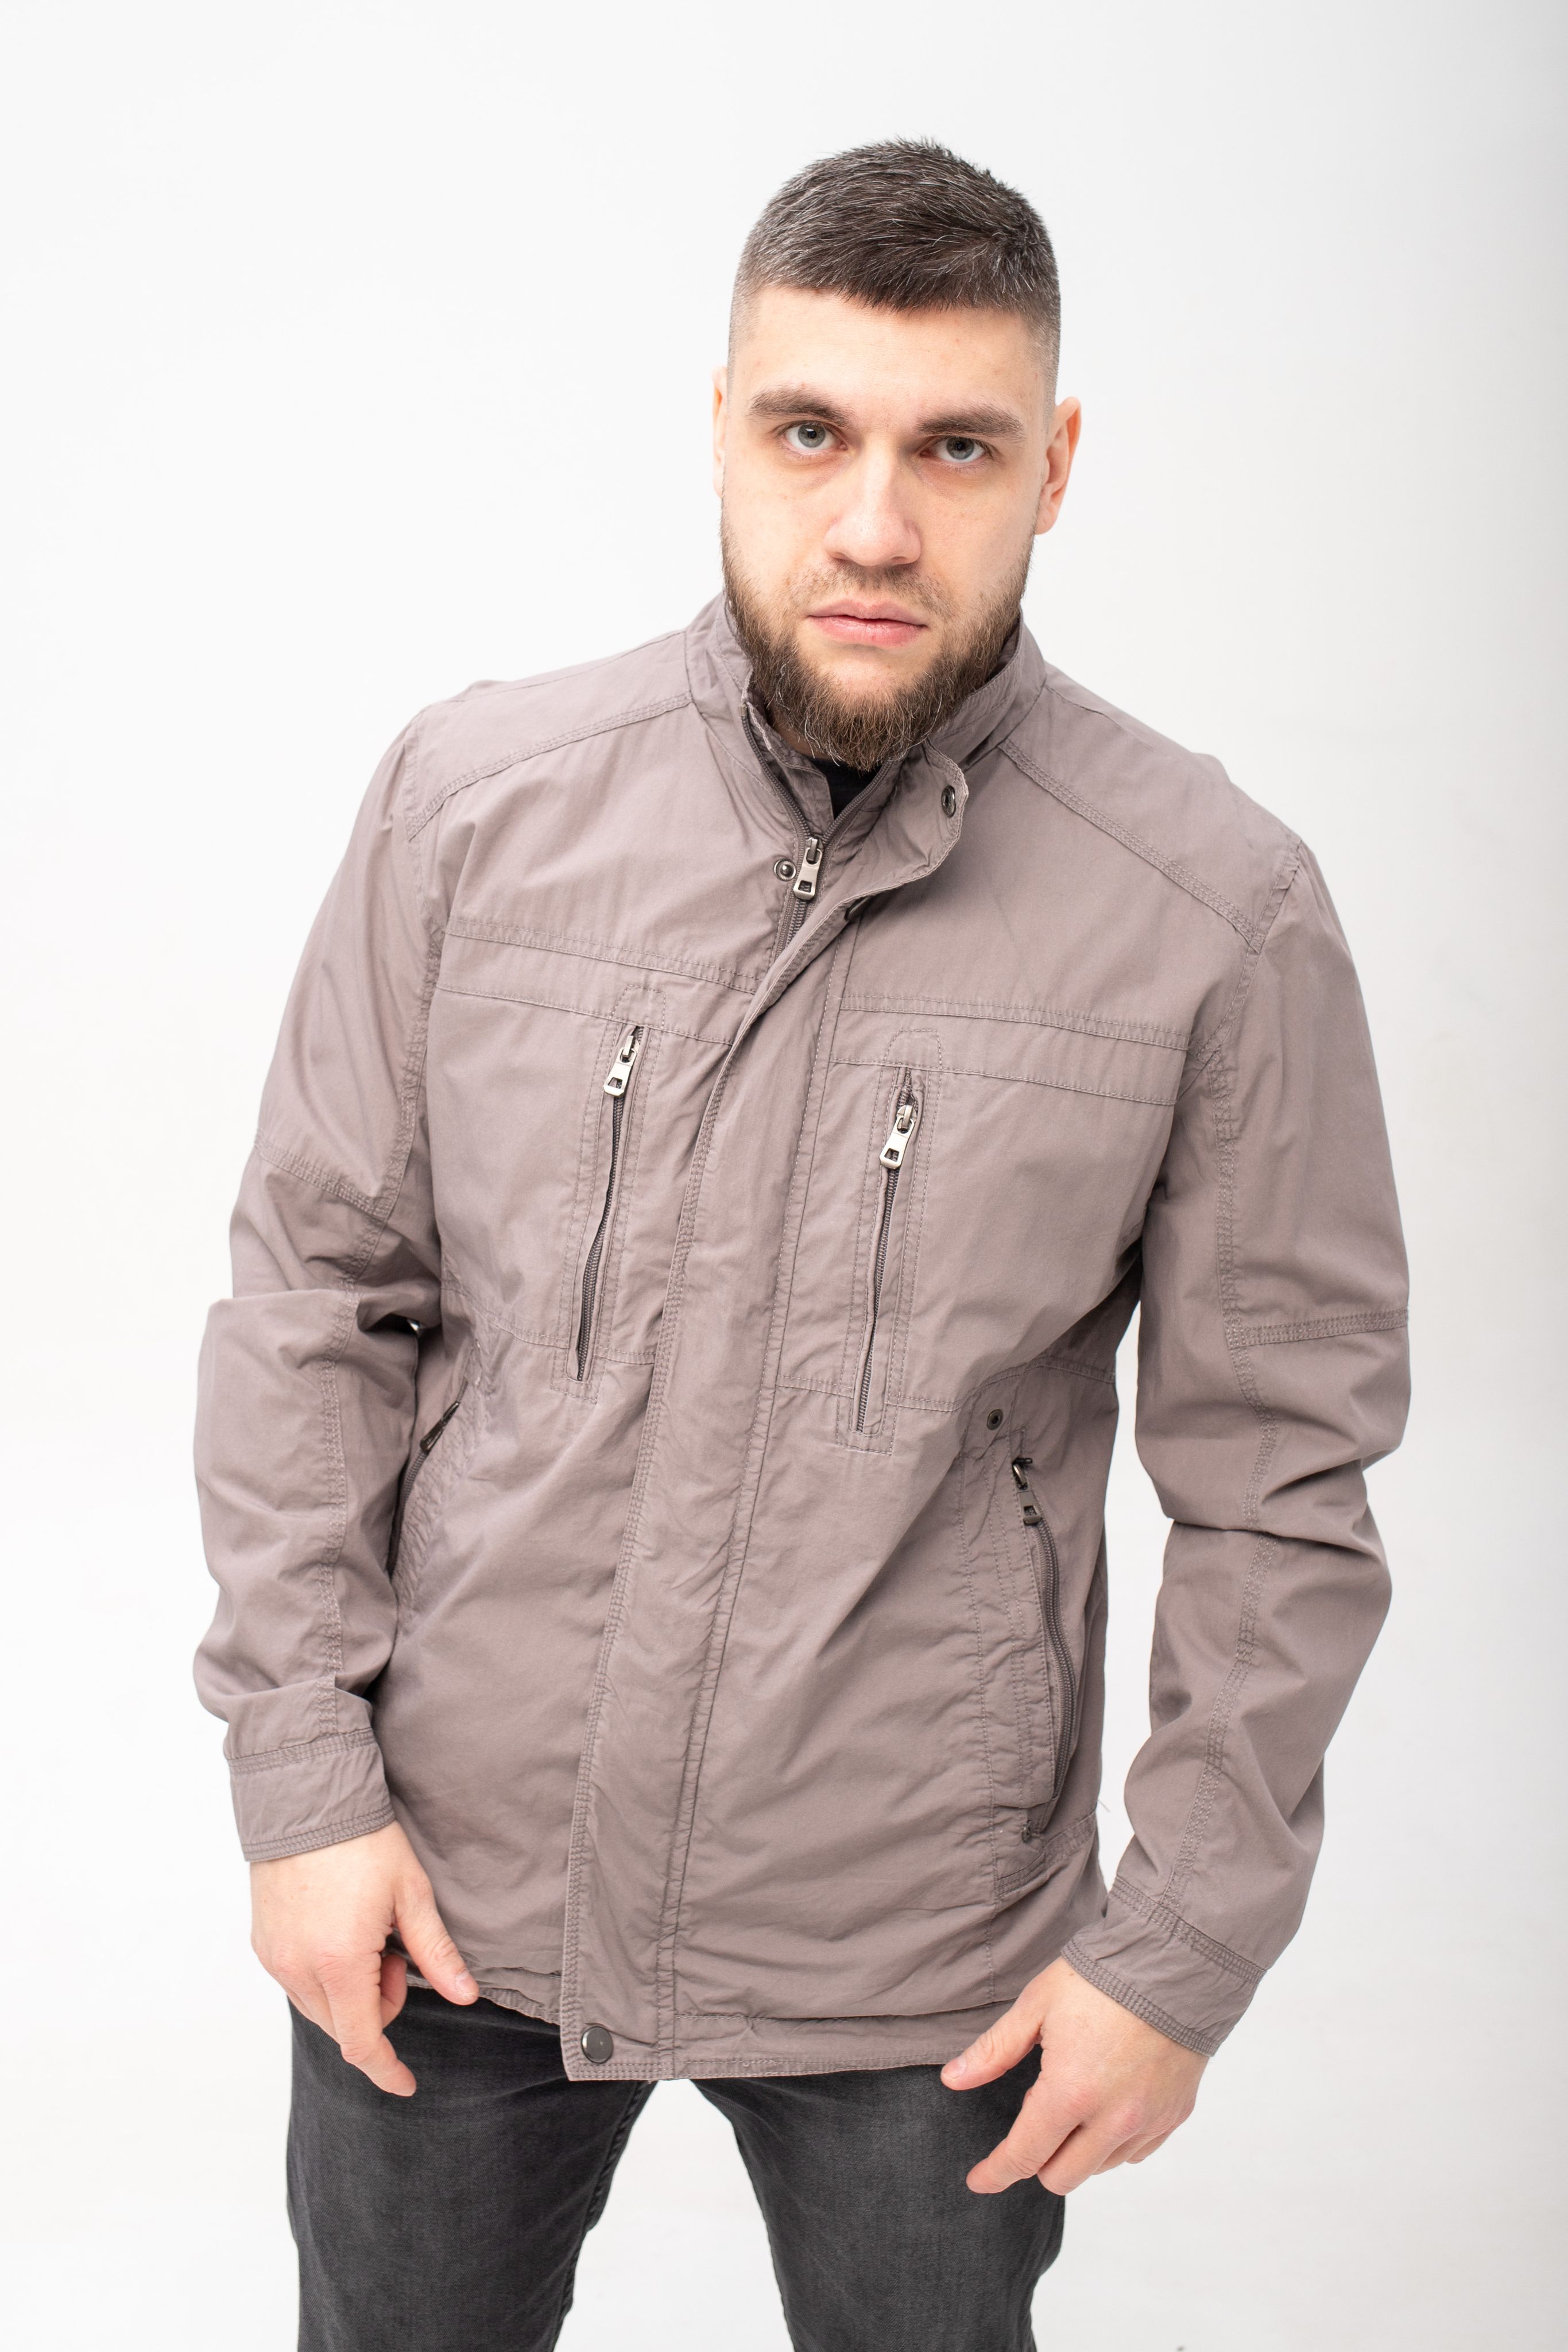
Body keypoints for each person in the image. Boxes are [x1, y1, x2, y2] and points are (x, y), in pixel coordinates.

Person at [194, 140, 1409, 2352]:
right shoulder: (473, 807)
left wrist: (1177, 1952)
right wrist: (300, 1784)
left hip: (921, 1953)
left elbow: (1281, 1482)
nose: (872, 524)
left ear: (1053, 468)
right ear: (720, 432)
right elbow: (312, 1305)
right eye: (809, 432)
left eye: (954, 448)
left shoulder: (1211, 911)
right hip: (442, 1890)